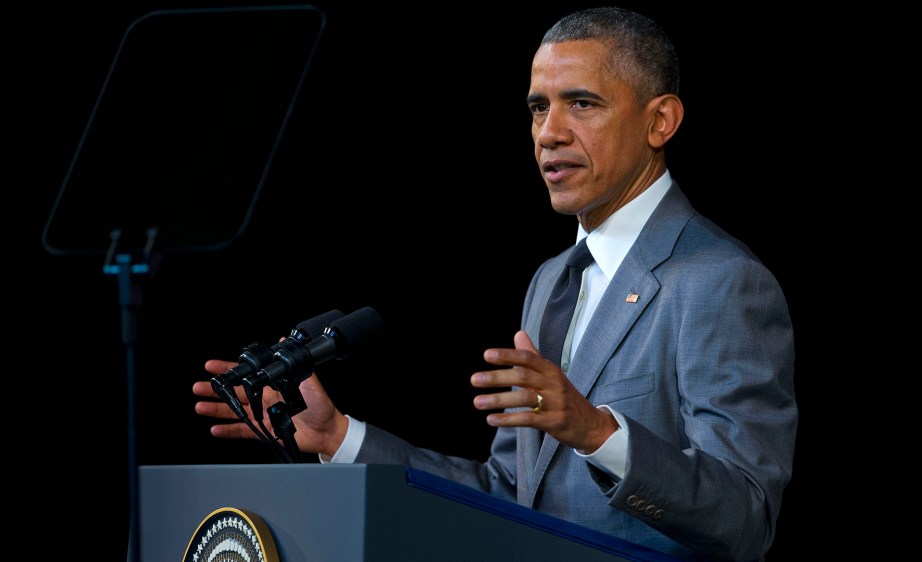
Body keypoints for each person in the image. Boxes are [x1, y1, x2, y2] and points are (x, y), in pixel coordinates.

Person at [193, 6, 797, 561]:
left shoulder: (722, 281)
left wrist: (597, 433)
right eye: (539, 107)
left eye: (581, 104)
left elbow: (745, 518)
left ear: (659, 120)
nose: (548, 133)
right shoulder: (551, 281)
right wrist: (341, 437)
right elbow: (509, 495)